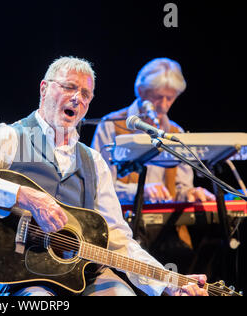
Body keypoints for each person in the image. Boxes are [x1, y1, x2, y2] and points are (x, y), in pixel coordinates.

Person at [0, 56, 208, 296]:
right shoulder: (11, 136)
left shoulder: (93, 161)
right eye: (69, 87)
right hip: (21, 276)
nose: (77, 98)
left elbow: (119, 240)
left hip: (83, 276)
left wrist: (169, 283)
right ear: (44, 89)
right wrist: (22, 195)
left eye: (85, 94)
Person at [91, 58, 215, 250]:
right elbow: (98, 188)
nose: (164, 105)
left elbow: (180, 188)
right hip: (122, 228)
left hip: (168, 232)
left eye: (170, 98)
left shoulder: (175, 132)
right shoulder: (110, 125)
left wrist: (191, 193)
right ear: (140, 91)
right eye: (158, 96)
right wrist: (141, 190)